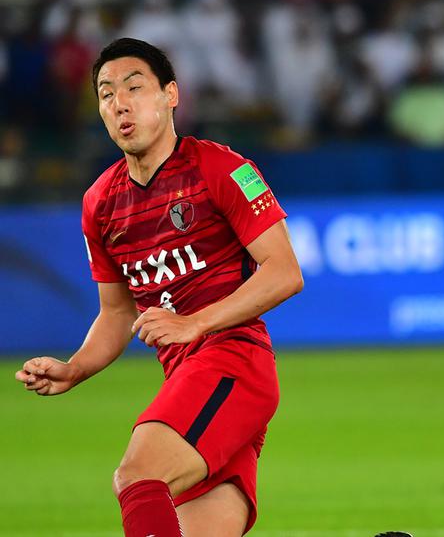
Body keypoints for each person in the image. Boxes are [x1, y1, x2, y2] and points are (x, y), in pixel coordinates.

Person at [15, 37, 303, 537]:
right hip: (185, 379)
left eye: (134, 86)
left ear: (171, 95)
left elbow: (283, 273)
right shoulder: (100, 202)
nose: (119, 102)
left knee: (136, 476)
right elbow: (117, 312)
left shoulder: (224, 169)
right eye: (106, 93)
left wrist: (194, 323)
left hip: (234, 363)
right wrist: (75, 367)